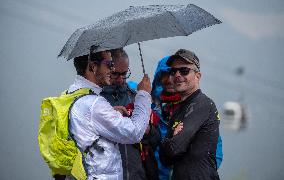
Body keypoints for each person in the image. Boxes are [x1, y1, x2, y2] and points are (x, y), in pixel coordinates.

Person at [68, 47, 152, 180]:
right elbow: (134, 132)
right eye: (109, 64)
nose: (112, 69)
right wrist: (144, 94)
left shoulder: (73, 94)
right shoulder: (94, 104)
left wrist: (111, 113)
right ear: (93, 67)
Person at [159, 49, 220, 180]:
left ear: (198, 76)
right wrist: (171, 140)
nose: (177, 75)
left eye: (184, 71)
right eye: (173, 71)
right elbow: (165, 159)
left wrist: (170, 140)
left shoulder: (203, 104)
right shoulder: (178, 111)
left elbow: (174, 149)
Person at [100, 48, 160, 180]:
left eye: (124, 74)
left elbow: (156, 140)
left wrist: (149, 130)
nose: (121, 80)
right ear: (106, 69)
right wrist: (110, 115)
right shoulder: (96, 100)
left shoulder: (137, 98)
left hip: (136, 174)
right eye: (115, 74)